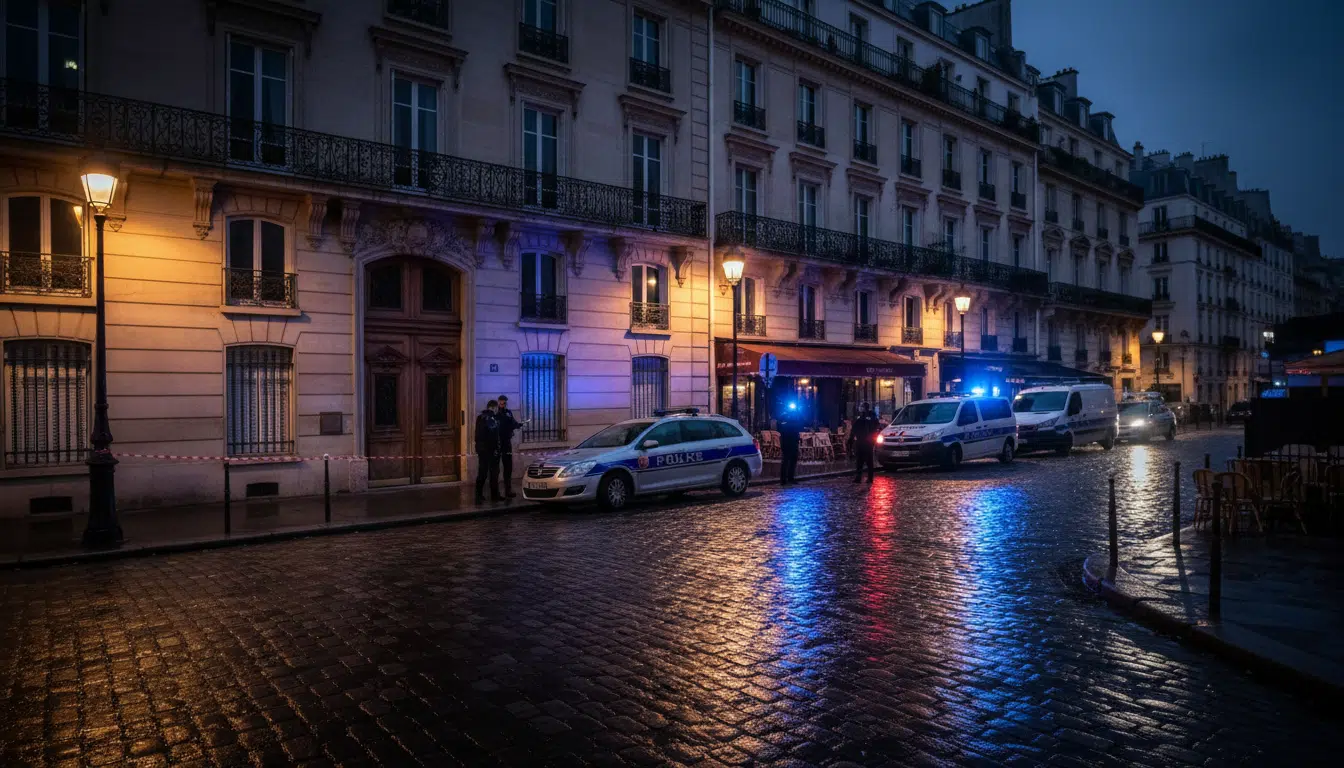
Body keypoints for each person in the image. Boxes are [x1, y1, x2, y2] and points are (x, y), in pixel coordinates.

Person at [474, 399, 503, 503]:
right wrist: (496, 449)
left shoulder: (480, 417)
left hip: (482, 450)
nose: (497, 410)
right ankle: (494, 496)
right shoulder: (491, 418)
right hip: (490, 450)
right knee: (493, 474)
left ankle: (478, 496)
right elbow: (493, 436)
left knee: (482, 473)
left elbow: (477, 436)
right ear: (493, 407)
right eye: (496, 408)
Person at [495, 394, 523, 498]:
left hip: (506, 442)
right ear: (498, 402)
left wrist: (519, 425)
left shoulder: (508, 413)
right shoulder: (496, 413)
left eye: (504, 402)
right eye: (501, 401)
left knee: (508, 467)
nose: (503, 403)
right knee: (495, 468)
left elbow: (513, 423)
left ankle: (508, 490)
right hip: (497, 443)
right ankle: (495, 492)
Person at [849, 402, 881, 483]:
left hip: (867, 441)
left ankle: (868, 478)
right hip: (862, 441)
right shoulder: (863, 417)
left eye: (862, 407)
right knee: (860, 460)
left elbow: (875, 427)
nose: (860, 408)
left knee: (867, 460)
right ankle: (860, 477)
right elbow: (855, 429)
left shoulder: (869, 417)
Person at [778, 403, 802, 485]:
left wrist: (798, 412)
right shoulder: (783, 417)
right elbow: (780, 427)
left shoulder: (796, 416)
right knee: (785, 460)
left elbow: (801, 424)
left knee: (793, 460)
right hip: (786, 441)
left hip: (793, 440)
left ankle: (790, 478)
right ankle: (783, 480)